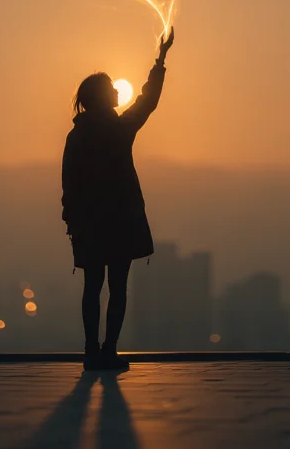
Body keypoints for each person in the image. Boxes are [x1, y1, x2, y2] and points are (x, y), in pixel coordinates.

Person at [61, 27, 175, 371]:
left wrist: (73, 222)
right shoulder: (119, 128)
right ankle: (108, 350)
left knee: (92, 286)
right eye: (110, 89)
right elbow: (148, 100)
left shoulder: (77, 135)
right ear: (101, 97)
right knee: (118, 286)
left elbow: (69, 184)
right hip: (121, 220)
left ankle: (91, 351)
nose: (115, 91)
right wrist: (161, 58)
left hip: (91, 224)